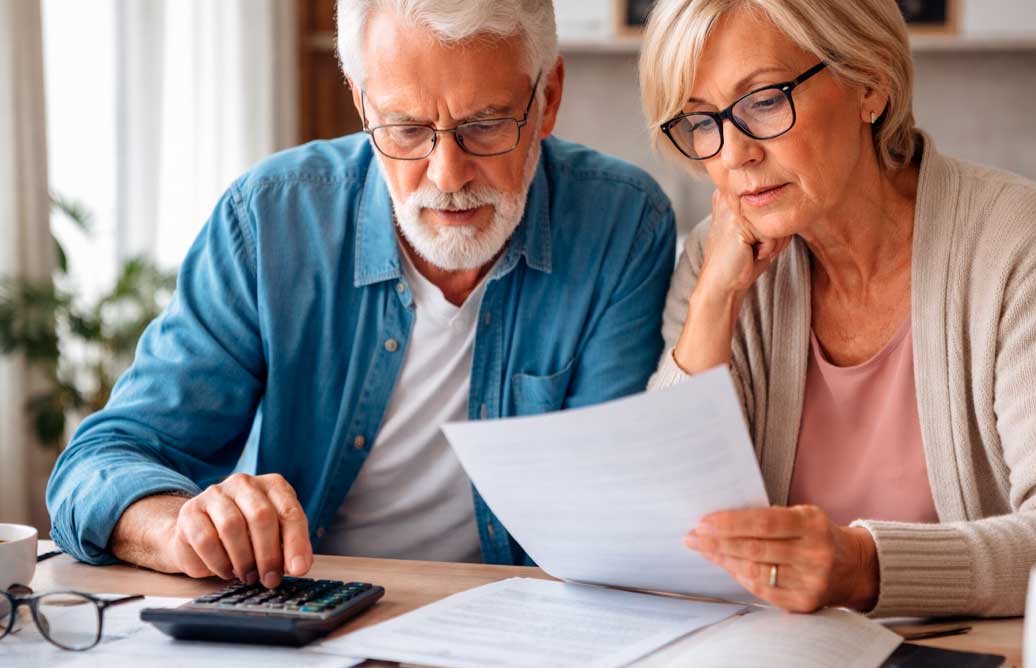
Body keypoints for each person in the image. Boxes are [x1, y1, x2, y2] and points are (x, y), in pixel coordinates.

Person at [47, 0, 676, 589]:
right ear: (362, 102)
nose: (447, 175)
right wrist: (183, 527)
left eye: (485, 126)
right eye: (405, 129)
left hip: (513, 629)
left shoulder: (619, 224)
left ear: (547, 99)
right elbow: (98, 462)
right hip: (311, 617)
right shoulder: (272, 220)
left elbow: (604, 510)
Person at [638, 0, 1036, 617]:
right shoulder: (713, 258)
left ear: (870, 85)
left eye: (766, 100)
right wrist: (716, 301)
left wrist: (866, 566)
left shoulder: (1014, 239)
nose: (732, 154)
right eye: (702, 122)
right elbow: (663, 532)